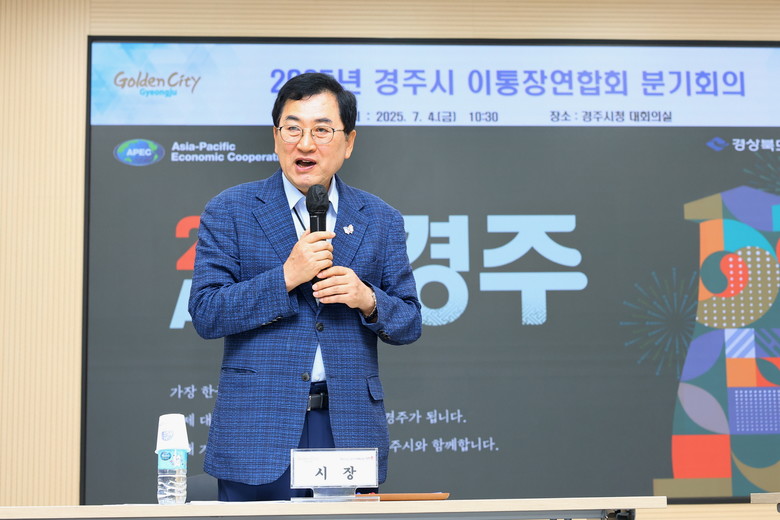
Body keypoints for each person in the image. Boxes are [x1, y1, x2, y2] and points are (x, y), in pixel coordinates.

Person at [188, 72, 422, 501]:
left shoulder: (381, 218)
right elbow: (206, 312)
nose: (305, 143)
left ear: (348, 143)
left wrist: (367, 299)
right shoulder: (230, 210)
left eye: (322, 130)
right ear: (276, 137)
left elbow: (409, 321)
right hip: (258, 426)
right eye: (292, 128)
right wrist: (285, 278)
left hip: (346, 425)